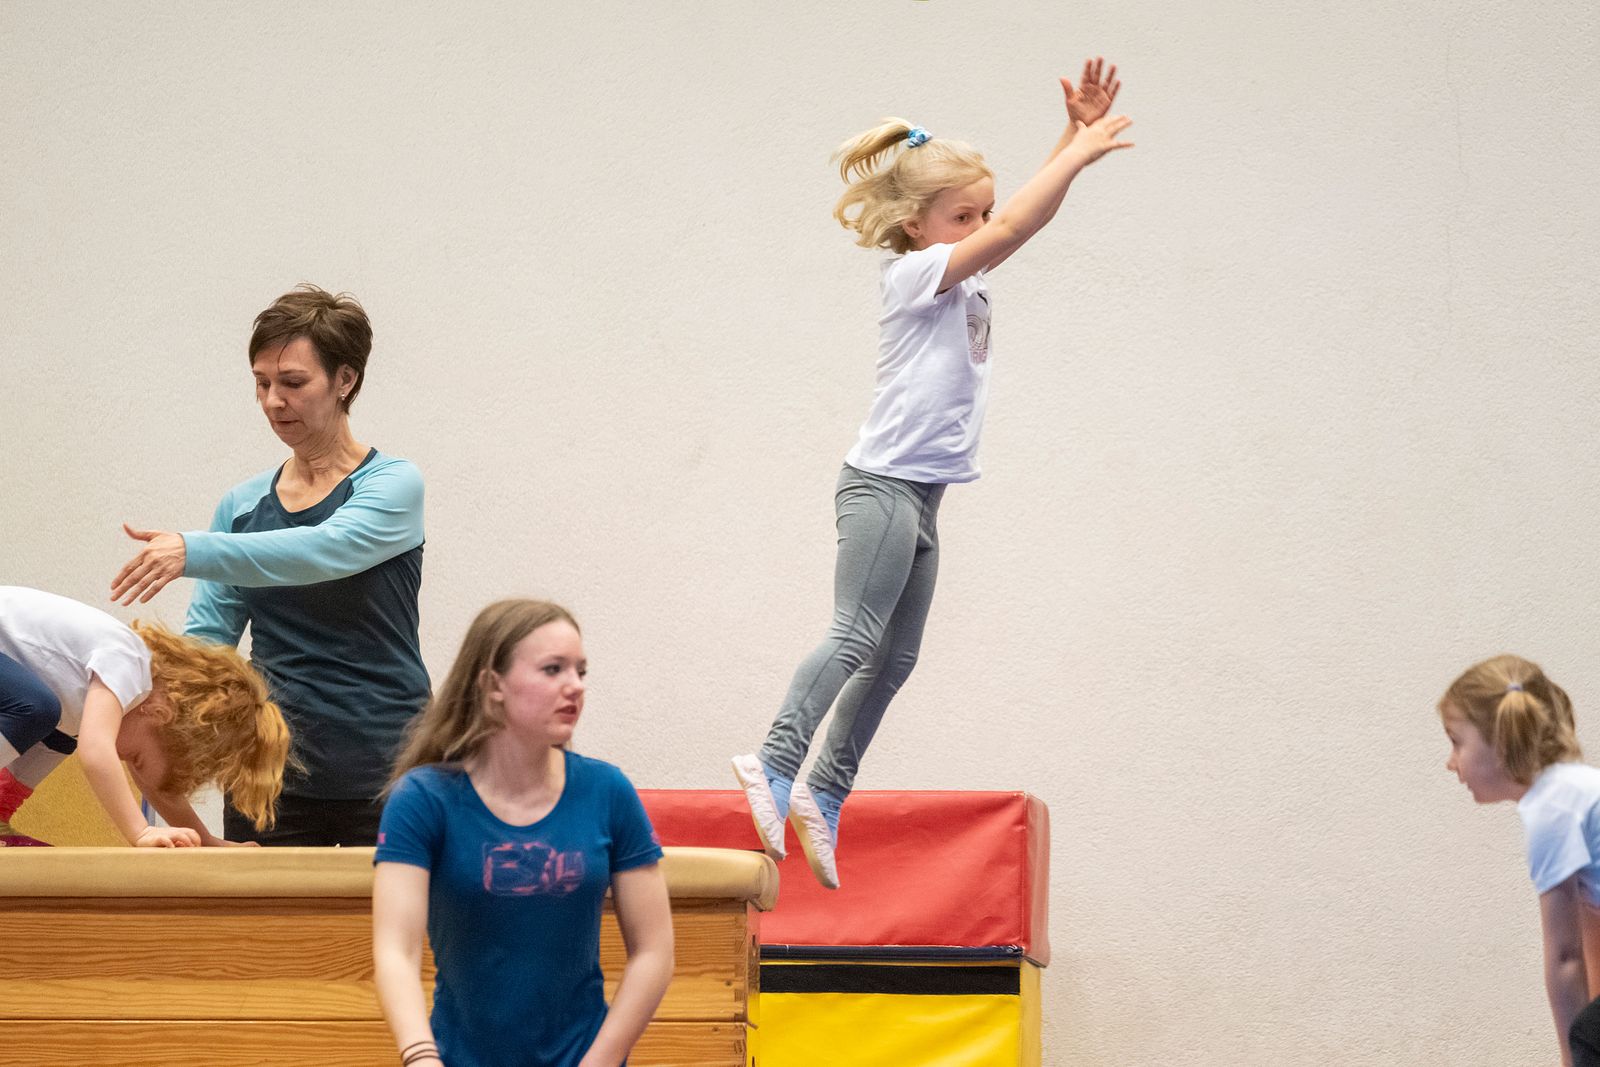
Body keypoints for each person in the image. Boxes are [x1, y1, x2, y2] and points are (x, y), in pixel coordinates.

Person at [732, 58, 1132, 888]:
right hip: (881, 486)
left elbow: (1017, 220)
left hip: (922, 498)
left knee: (897, 656)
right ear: (915, 225)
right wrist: (1079, 152)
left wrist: (1071, 135)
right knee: (854, 635)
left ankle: (824, 790)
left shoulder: (963, 269)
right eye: (961, 216)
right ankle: (773, 761)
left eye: (981, 211)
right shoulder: (915, 275)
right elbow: (1014, 223)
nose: (979, 226)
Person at [109, 284, 430, 845]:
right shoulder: (241, 506)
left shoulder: (393, 484)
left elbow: (326, 549)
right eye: (262, 383)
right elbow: (208, 644)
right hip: (266, 778)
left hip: (390, 767)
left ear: (345, 380)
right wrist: (140, 709)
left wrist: (194, 550)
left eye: (293, 383)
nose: (273, 401)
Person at [372, 599, 674, 1067]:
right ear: (493, 684)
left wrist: (601, 1060)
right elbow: (397, 949)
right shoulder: (424, 799)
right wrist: (420, 1056)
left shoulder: (607, 791)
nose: (575, 686)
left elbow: (654, 951)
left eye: (580, 671)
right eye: (553, 669)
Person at [0, 585, 288, 847]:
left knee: (60, 736)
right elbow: (96, 750)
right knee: (37, 709)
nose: (123, 758)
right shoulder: (129, 663)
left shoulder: (101, 697)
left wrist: (206, 841)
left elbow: (155, 786)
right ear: (159, 713)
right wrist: (140, 831)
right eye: (136, 757)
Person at [1439, 654, 1600, 1067]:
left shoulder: (1550, 810)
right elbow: (1591, 923)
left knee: (1588, 1035)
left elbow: (1565, 958)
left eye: (1456, 742)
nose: (1450, 762)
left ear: (1502, 741)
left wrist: (1572, 1058)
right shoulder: (1571, 790)